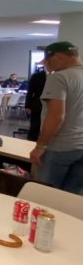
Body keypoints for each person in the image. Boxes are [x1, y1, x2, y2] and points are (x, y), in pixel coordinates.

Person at [30, 41, 83, 195]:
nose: (48, 65)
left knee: (46, 196)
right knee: (71, 198)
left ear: (58, 56)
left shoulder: (59, 78)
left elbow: (56, 116)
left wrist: (40, 147)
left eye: (49, 60)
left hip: (60, 147)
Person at [25, 68, 47, 142]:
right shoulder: (37, 76)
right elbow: (30, 91)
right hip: (38, 103)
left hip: (54, 104)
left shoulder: (60, 75)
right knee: (35, 125)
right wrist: (27, 105)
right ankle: (31, 143)